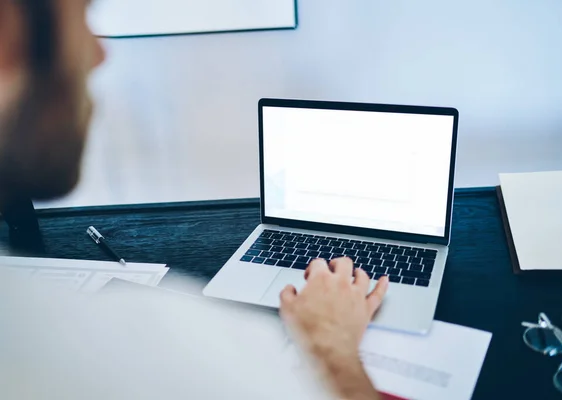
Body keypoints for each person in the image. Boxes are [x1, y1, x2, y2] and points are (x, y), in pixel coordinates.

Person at [0, 1, 389, 399]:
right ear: (9, 32)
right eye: (81, 15)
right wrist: (332, 348)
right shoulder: (182, 356)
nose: (100, 53)